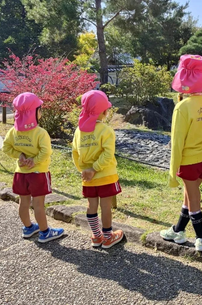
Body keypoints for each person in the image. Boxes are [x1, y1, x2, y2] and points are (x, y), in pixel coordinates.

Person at [160, 55, 202, 251]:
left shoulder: (183, 107)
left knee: (193, 196)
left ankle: (201, 236)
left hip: (189, 160)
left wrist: (173, 171)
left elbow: (177, 141)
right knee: (189, 194)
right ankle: (178, 230)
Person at [3, 92, 64, 242]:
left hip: (20, 174)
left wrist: (20, 156)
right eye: (40, 108)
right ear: (34, 112)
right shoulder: (40, 133)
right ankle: (45, 232)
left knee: (23, 202)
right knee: (38, 204)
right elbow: (46, 151)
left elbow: (6, 147)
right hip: (38, 173)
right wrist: (34, 160)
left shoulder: (13, 131)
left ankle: (28, 228)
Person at [72, 90, 124, 249]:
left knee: (91, 205)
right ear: (105, 111)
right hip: (106, 175)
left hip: (88, 177)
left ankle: (96, 236)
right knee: (106, 206)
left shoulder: (79, 131)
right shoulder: (106, 130)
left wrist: (84, 170)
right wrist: (95, 168)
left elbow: (75, 152)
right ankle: (108, 236)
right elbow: (108, 154)